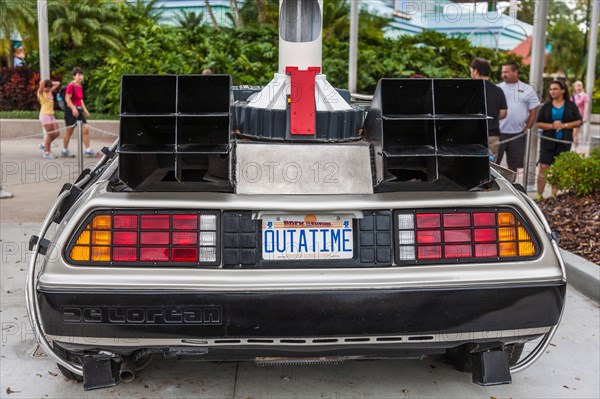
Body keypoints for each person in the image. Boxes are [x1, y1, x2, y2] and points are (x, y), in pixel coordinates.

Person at [535, 80, 582, 200]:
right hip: (547, 142)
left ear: (563, 90)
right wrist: (552, 126)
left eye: (555, 89)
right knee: (544, 168)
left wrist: (564, 125)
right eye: (551, 89)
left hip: (564, 142)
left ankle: (554, 195)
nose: (552, 92)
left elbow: (579, 121)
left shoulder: (571, 105)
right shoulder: (546, 106)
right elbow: (539, 123)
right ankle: (539, 194)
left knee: (558, 169)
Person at [497, 62, 540, 173]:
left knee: (513, 165)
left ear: (515, 72)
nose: (503, 74)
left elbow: (533, 111)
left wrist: (527, 128)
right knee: (494, 164)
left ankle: (512, 186)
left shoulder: (528, 89)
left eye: (506, 72)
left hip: (517, 134)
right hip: (498, 133)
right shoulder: (497, 88)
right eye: (502, 72)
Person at [470, 58, 507, 161]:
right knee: (491, 169)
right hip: (493, 135)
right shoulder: (498, 90)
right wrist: (492, 117)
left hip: (473, 136)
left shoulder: (469, 89)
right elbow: (503, 113)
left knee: (473, 166)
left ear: (475, 71)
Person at [62, 67, 96, 157]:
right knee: (69, 131)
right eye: (78, 75)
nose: (80, 77)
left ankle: (88, 150)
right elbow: (67, 99)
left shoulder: (80, 86)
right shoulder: (71, 86)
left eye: (81, 75)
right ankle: (64, 149)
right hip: (71, 110)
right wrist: (73, 108)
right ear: (74, 76)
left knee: (86, 128)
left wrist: (85, 110)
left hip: (79, 110)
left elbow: (80, 100)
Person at [37, 79, 61, 158]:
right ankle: (47, 152)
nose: (50, 88)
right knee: (50, 134)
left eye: (50, 87)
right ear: (44, 87)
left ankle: (44, 145)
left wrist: (51, 83)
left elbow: (58, 83)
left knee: (57, 133)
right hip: (45, 115)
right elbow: (41, 82)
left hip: (51, 115)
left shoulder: (49, 91)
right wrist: (43, 86)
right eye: (48, 87)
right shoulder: (41, 93)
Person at [571, 81, 589, 151]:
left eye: (580, 85)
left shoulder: (585, 96)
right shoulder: (572, 96)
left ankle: (574, 148)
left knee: (575, 132)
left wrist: (585, 117)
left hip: (579, 117)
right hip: (571, 117)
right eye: (577, 85)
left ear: (582, 86)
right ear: (574, 87)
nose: (578, 87)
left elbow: (586, 107)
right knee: (572, 133)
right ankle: (574, 146)